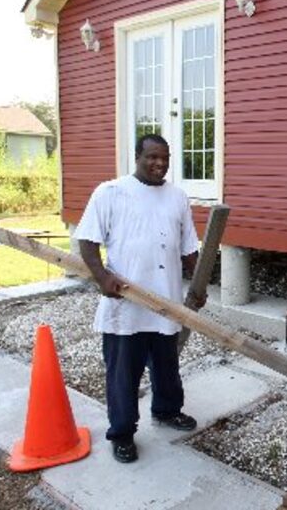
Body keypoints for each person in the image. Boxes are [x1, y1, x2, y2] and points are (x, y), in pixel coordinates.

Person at [75, 133, 205, 463]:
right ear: (137, 156)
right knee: (123, 374)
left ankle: (166, 411)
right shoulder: (111, 192)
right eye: (152, 157)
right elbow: (88, 242)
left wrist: (201, 282)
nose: (159, 163)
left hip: (166, 301)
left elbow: (189, 247)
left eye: (164, 158)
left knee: (167, 365)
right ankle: (121, 434)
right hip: (126, 305)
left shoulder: (177, 197)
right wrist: (102, 276)